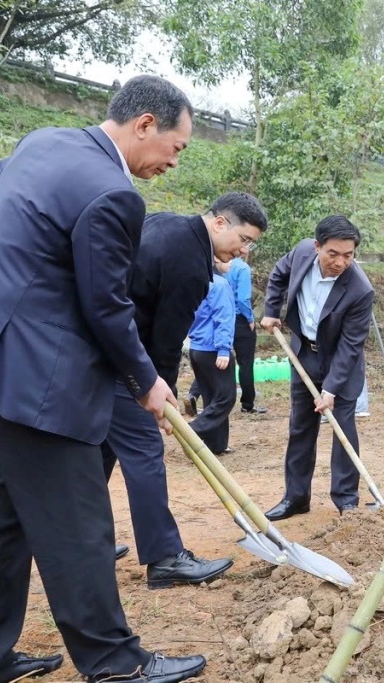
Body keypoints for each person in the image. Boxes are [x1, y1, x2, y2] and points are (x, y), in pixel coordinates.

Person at [0, 75, 206, 682]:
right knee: (79, 528)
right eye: (176, 148)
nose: (173, 162)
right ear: (145, 124)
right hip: (42, 383)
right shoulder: (114, 193)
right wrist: (147, 381)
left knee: (3, 522)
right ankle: (114, 663)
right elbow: (107, 305)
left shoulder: (42, 143)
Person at [104, 191, 267, 591]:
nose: (243, 251)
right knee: (145, 452)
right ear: (219, 223)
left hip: (103, 353)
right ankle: (164, 559)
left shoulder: (168, 223)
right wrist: (157, 394)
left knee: (100, 452)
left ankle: (87, 541)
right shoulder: (192, 266)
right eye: (243, 240)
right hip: (126, 362)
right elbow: (167, 338)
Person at [260, 216, 374, 520]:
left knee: (343, 429)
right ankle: (296, 498)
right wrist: (271, 310)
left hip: (341, 364)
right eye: (333, 253)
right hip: (304, 355)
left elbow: (351, 345)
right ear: (317, 246)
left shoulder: (360, 289)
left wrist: (331, 389)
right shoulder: (300, 254)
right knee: (300, 427)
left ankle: (347, 500)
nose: (340, 262)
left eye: (348, 255)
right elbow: (279, 274)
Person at [187, 262, 237, 454]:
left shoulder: (198, 282)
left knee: (211, 397)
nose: (231, 262)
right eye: (227, 258)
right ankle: (192, 430)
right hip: (213, 348)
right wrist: (224, 349)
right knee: (226, 397)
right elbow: (224, 317)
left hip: (196, 348)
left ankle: (216, 444)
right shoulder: (220, 284)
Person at [227, 254, 267, 414]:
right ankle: (247, 403)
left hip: (222, 318)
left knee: (216, 357)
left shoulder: (218, 265)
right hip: (240, 320)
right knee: (245, 363)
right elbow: (243, 299)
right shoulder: (241, 268)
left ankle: (194, 393)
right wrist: (250, 319)